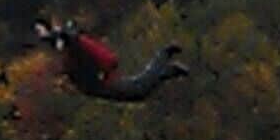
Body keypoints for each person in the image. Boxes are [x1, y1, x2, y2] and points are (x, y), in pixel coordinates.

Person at [34, 19, 189, 102]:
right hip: (96, 81)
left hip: (99, 80)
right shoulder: (68, 46)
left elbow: (69, 41)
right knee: (140, 89)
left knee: (139, 89)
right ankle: (167, 65)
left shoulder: (72, 45)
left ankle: (165, 58)